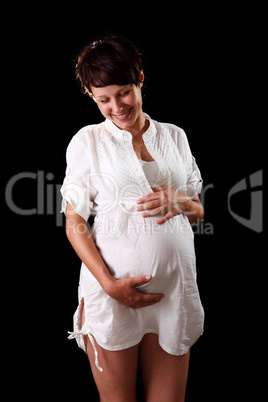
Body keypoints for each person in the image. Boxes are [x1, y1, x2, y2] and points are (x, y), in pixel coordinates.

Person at [61, 35, 204, 402]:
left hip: (172, 295)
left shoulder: (174, 136)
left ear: (140, 78)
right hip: (114, 295)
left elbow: (199, 211)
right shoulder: (88, 141)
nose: (115, 106)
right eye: (102, 99)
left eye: (123, 92)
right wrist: (109, 285)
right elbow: (74, 219)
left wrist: (182, 203)